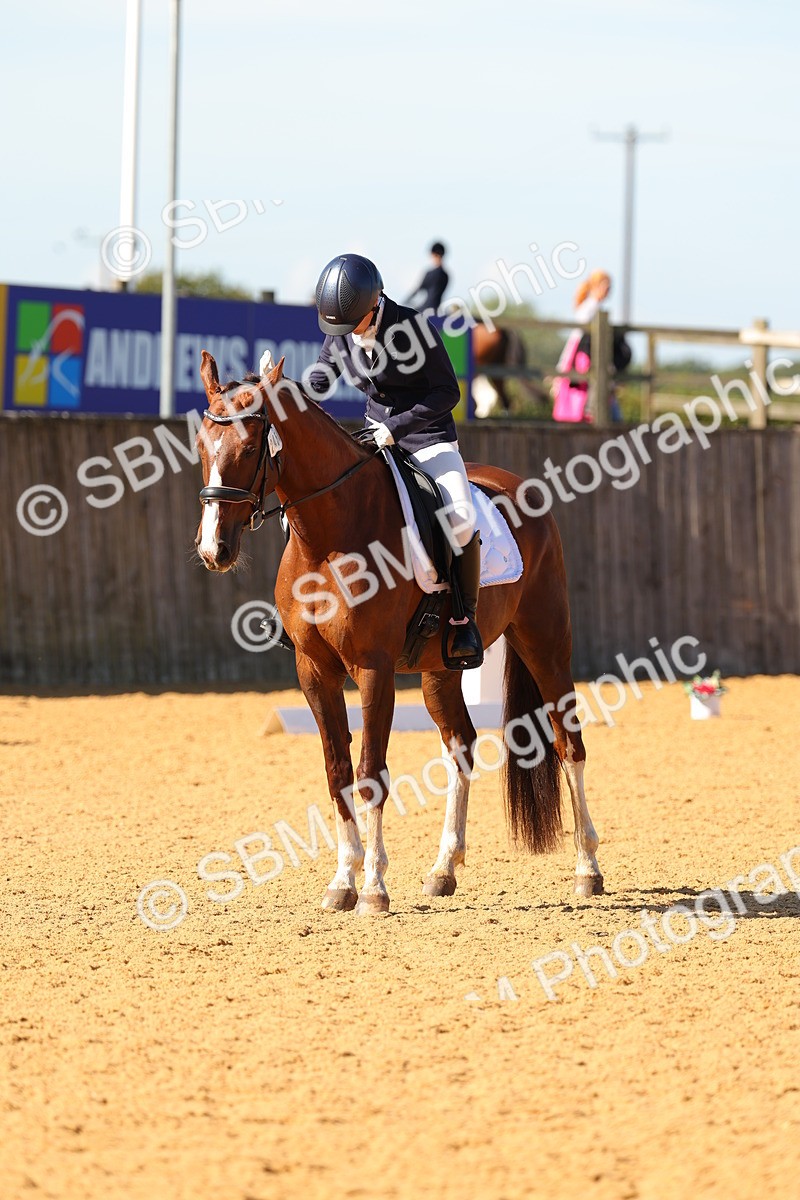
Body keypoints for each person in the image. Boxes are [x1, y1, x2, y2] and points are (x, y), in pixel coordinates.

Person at [307, 252, 482, 666]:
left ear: (376, 302)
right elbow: (325, 369)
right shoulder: (344, 324)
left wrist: (397, 428)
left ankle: (463, 618)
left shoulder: (414, 329)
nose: (346, 334)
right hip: (373, 438)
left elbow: (447, 393)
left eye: (353, 325)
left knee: (460, 519)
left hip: (427, 438)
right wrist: (297, 389)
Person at [553, 270, 625, 423]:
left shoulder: (590, 308)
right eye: (606, 286)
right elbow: (580, 338)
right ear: (596, 286)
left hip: (585, 357)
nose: (608, 291)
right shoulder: (591, 310)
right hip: (585, 358)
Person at [404, 241, 449, 315]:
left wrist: (405, 301)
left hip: (425, 310)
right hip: (437, 310)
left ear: (434, 254)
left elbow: (417, 290)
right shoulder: (446, 275)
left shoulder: (430, 274)